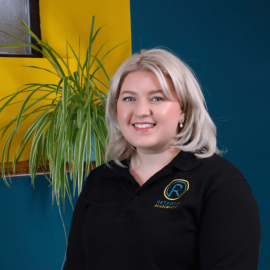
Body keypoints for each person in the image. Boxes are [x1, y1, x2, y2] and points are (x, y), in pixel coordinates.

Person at [63, 48, 261, 270]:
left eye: (157, 98)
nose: (140, 111)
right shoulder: (100, 179)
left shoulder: (220, 184)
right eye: (129, 98)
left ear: (183, 111)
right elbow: (75, 264)